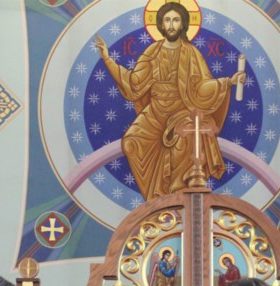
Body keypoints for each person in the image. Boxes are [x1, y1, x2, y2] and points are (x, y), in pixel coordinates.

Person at [94, 2, 245, 199]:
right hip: (156, 111)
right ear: (161, 25)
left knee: (182, 140)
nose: (171, 25)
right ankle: (154, 199)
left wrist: (228, 81)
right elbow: (133, 83)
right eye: (167, 20)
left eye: (175, 20)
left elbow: (201, 87)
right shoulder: (152, 52)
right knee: (131, 142)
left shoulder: (191, 53)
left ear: (182, 24)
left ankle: (177, 193)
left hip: (183, 110)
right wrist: (107, 59)